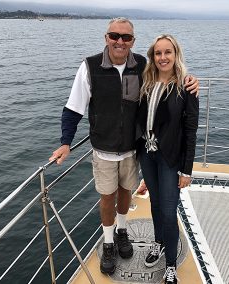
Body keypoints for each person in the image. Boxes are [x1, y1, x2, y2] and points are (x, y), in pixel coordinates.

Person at [49, 18, 199, 275]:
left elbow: (176, 104)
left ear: (133, 42)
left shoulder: (140, 65)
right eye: (114, 36)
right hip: (105, 150)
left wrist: (190, 80)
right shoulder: (90, 67)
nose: (120, 41)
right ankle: (109, 243)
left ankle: (123, 233)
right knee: (108, 197)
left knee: (127, 194)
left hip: (134, 150)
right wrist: (66, 142)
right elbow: (73, 109)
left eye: (126, 38)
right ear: (106, 37)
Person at [136, 34, 199, 284]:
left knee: (168, 210)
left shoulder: (186, 87)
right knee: (155, 204)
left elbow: (191, 130)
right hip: (147, 154)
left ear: (175, 54)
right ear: (153, 56)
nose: (163, 57)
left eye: (167, 52)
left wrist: (187, 170)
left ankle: (170, 264)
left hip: (170, 158)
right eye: (158, 53)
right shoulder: (146, 82)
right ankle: (158, 243)